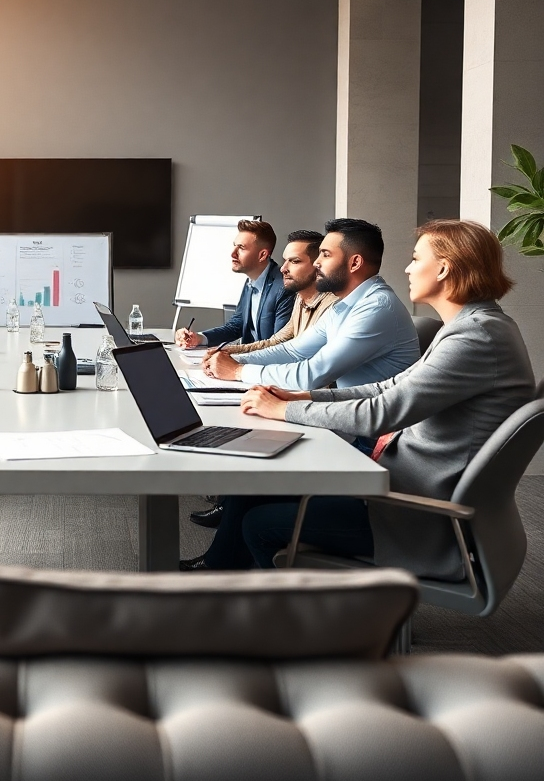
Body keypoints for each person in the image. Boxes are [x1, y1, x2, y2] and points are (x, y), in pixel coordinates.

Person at [196, 220, 536, 580]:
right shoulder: (471, 327)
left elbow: (382, 412)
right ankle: (221, 593)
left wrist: (285, 409)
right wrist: (301, 396)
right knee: (258, 488)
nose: (406, 267)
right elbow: (386, 387)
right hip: (401, 481)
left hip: (411, 510)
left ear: (443, 267)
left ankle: (320, 627)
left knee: (259, 523)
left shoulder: (474, 337)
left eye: (415, 257)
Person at [187, 229, 337, 530]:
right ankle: (229, 510)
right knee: (240, 419)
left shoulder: (327, 304)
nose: (284, 268)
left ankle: (229, 521)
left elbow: (302, 362)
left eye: (294, 261)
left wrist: (236, 366)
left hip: (311, 399)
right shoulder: (301, 300)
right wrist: (227, 353)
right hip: (294, 390)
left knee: (244, 424)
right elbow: (281, 343)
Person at [200, 218, 420, 392]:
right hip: (348, 421)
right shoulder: (346, 305)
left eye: (325, 254)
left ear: (355, 263)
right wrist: (232, 359)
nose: (316, 262)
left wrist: (238, 371)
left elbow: (312, 374)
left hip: (370, 441)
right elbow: (293, 351)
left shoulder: (377, 308)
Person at [176, 220, 294, 350]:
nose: (233, 253)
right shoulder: (252, 280)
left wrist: (231, 355)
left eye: (241, 248)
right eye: (234, 246)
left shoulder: (283, 287)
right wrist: (199, 338)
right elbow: (236, 326)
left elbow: (278, 346)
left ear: (262, 255)